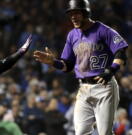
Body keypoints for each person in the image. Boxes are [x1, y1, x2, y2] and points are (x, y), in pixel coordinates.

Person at [33, 0, 128, 134]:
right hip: (83, 88)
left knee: (104, 132)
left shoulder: (102, 30)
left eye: (76, 13)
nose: (73, 17)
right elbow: (67, 65)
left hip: (104, 87)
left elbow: (121, 52)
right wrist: (53, 62)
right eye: (71, 14)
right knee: (80, 132)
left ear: (86, 13)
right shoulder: (72, 35)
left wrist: (111, 70)